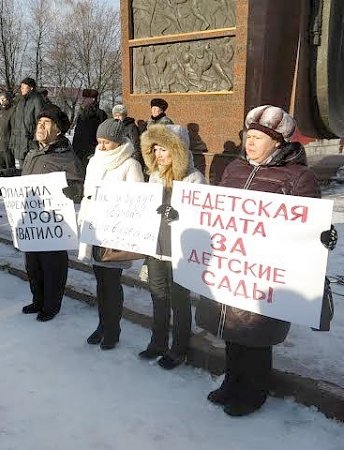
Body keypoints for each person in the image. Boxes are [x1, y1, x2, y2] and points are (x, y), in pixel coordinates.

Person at [195, 105, 337, 417]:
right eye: (249, 135)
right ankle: (232, 381)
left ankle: (254, 392)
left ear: (278, 142)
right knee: (232, 332)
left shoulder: (300, 178)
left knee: (256, 337)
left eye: (259, 137)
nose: (250, 141)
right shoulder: (234, 169)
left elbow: (309, 224)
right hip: (233, 267)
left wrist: (322, 237)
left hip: (266, 274)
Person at [138, 124, 206, 369]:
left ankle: (179, 349)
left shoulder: (194, 178)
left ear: (177, 151)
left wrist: (178, 214)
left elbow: (204, 217)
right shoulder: (154, 176)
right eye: (155, 148)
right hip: (155, 247)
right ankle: (157, 342)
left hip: (180, 251)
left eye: (164, 149)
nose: (158, 154)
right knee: (158, 297)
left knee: (180, 300)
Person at [78, 119, 144, 349]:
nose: (102, 146)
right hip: (95, 229)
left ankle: (113, 330)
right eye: (100, 141)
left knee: (112, 284)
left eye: (107, 142)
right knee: (100, 283)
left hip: (114, 233)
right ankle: (102, 324)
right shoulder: (94, 162)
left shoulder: (129, 165)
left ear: (118, 142)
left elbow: (137, 201)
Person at [21, 105, 85, 321]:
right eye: (39, 122)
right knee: (33, 265)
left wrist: (70, 191)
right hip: (32, 222)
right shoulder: (32, 154)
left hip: (54, 224)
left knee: (52, 267)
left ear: (58, 130)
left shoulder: (67, 157)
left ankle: (51, 305)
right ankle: (37, 299)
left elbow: (80, 188)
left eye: (46, 123)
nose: (40, 126)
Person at [10, 77, 44, 168]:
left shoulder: (37, 100)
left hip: (30, 141)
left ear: (31, 88)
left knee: (31, 168)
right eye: (21, 86)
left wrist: (36, 139)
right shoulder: (20, 101)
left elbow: (40, 121)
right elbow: (15, 122)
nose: (21, 88)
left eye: (24, 86)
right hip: (19, 140)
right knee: (22, 168)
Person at [73, 89, 107, 167]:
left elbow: (102, 134)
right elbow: (77, 133)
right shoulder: (81, 114)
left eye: (85, 98)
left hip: (92, 152)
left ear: (92, 99)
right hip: (78, 151)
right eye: (83, 98)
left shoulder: (100, 114)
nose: (83, 100)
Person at [0, 92, 15, 176]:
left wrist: (11, 143)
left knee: (9, 167)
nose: (2, 101)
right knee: (1, 168)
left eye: (4, 99)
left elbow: (13, 129)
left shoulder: (12, 111)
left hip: (7, 145)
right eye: (1, 99)